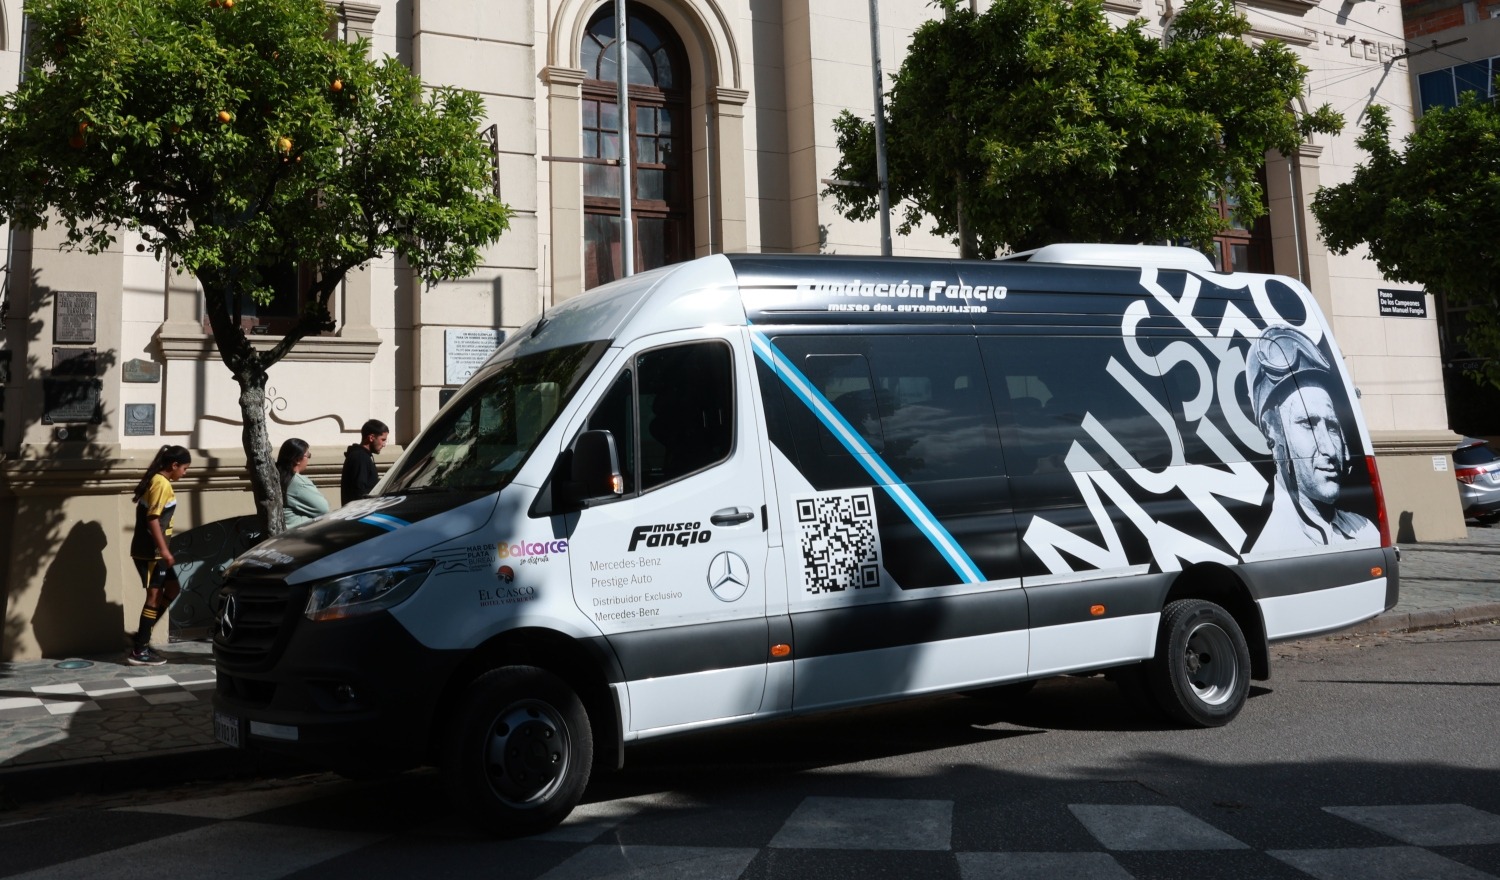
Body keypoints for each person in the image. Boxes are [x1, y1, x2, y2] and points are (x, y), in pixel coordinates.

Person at [1247, 325, 1378, 552]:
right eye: (1308, 424)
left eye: (1332, 426)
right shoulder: (1270, 547)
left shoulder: (1365, 529)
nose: (1328, 448)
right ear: (1272, 431)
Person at [128, 445, 192, 666]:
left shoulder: (159, 481)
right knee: (154, 597)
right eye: (184, 468)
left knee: (173, 588)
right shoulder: (161, 483)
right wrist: (164, 550)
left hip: (158, 553)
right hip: (151, 553)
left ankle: (142, 636)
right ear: (174, 465)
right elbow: (152, 518)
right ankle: (139, 650)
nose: (185, 473)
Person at [276, 438, 330, 529]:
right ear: (297, 459)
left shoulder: (276, 476)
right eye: (308, 455)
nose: (308, 459)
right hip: (297, 535)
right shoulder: (298, 483)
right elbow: (324, 509)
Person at [341, 418, 389, 505]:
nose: (384, 444)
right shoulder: (360, 457)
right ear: (371, 438)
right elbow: (359, 492)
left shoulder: (361, 456)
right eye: (382, 439)